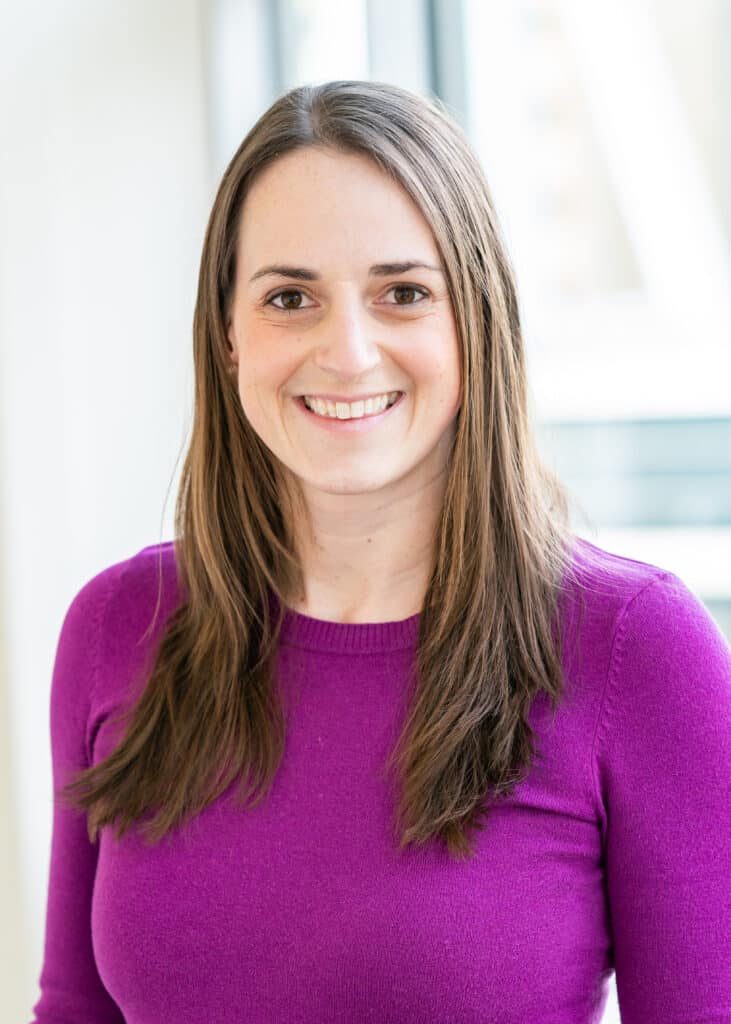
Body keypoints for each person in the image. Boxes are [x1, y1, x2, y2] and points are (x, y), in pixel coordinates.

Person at [30, 80, 731, 1024]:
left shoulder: (633, 649)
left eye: (403, 293)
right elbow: (74, 1011)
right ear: (229, 338)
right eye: (290, 297)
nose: (349, 353)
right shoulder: (119, 627)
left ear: (474, 322)